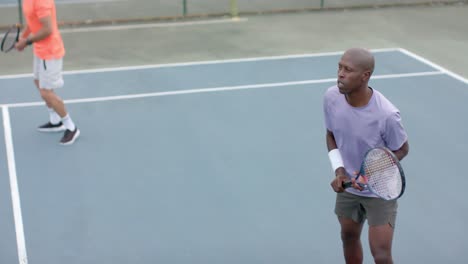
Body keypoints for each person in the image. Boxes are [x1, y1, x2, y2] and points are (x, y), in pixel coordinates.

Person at [323, 48, 409, 264]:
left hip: (380, 189)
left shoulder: (387, 114)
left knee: (380, 254)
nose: (340, 74)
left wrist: (368, 174)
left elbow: (402, 149)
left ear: (365, 76)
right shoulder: (331, 97)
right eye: (340, 67)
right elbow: (331, 134)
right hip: (349, 187)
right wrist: (340, 171)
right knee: (348, 237)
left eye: (348, 70)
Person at [15, 0, 80, 145]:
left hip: (50, 52)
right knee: (38, 82)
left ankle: (71, 127)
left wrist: (26, 42)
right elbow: (32, 22)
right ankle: (55, 121)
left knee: (46, 92)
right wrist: (24, 36)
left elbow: (47, 29)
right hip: (39, 49)